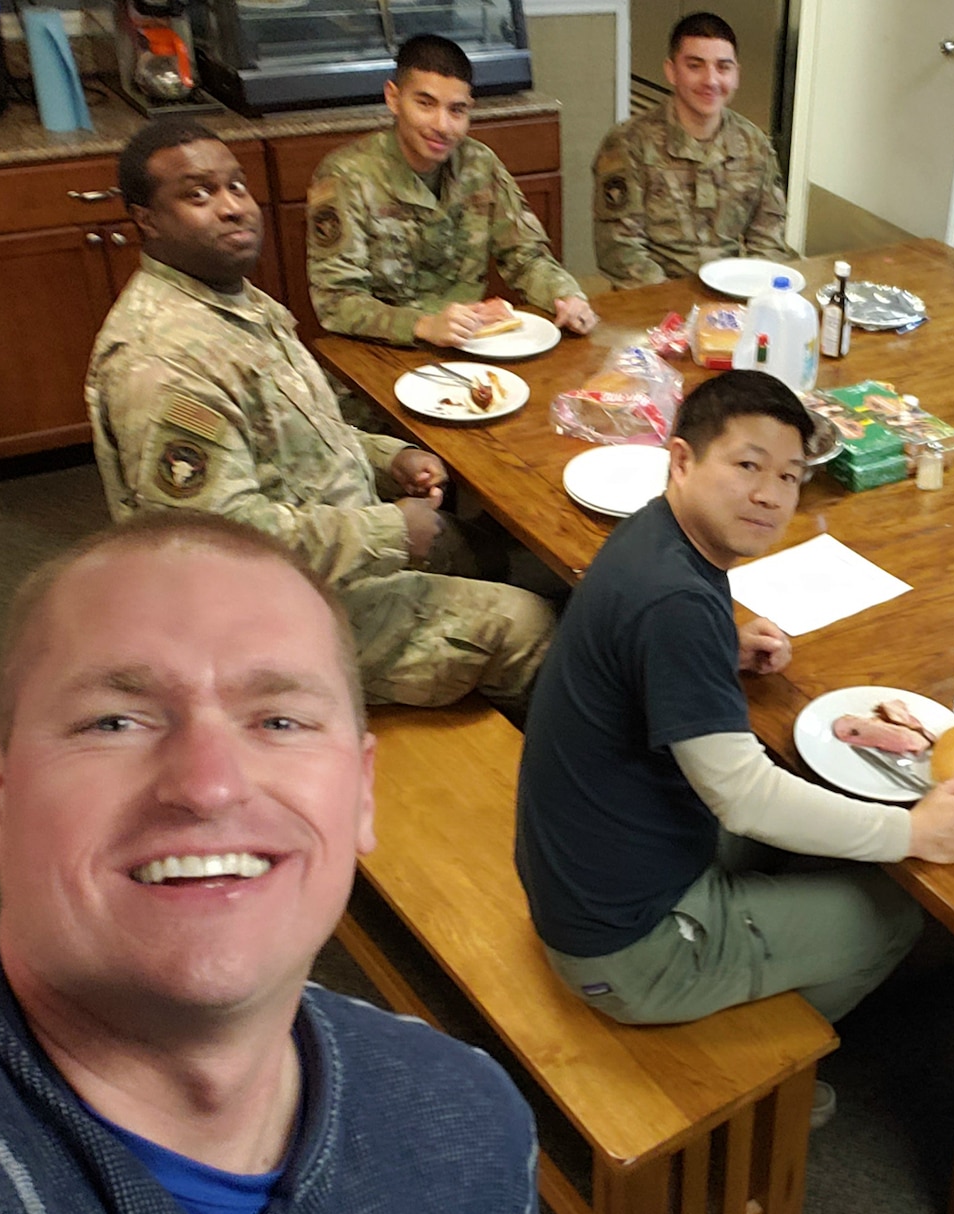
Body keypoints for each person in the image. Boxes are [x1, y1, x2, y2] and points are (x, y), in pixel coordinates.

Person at [0, 513, 540, 1214]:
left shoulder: (472, 1114)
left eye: (278, 720)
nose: (208, 785)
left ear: (361, 793)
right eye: (115, 720)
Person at [515, 371, 954, 1109]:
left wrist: (721, 652)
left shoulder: (655, 537)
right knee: (895, 910)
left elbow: (643, 653)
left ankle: (750, 976)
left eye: (790, 476)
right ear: (680, 460)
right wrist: (914, 830)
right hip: (622, 945)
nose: (771, 494)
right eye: (747, 465)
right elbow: (743, 794)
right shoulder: (673, 600)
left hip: (582, 872)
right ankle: (757, 1086)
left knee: (812, 833)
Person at [88, 118, 556, 716]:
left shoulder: (235, 300)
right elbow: (211, 550)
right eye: (198, 194)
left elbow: (307, 431)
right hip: (271, 619)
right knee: (532, 623)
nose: (232, 207)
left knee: (496, 551)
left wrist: (392, 459)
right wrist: (390, 530)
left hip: (339, 543)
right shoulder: (162, 363)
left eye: (235, 186)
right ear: (146, 219)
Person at [307, 35, 596, 347]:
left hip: (471, 344)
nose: (443, 125)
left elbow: (525, 256)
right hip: (381, 350)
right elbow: (336, 301)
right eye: (425, 104)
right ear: (393, 98)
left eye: (457, 110)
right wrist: (422, 325)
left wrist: (565, 295)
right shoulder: (345, 176)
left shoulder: (479, 164)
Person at [592, 11, 799, 289]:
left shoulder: (754, 146)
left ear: (736, 74)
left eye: (723, 67)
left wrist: (750, 297)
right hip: (652, 303)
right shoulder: (629, 144)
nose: (711, 80)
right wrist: (680, 312)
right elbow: (620, 251)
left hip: (732, 298)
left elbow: (768, 243)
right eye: (695, 66)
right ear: (671, 71)